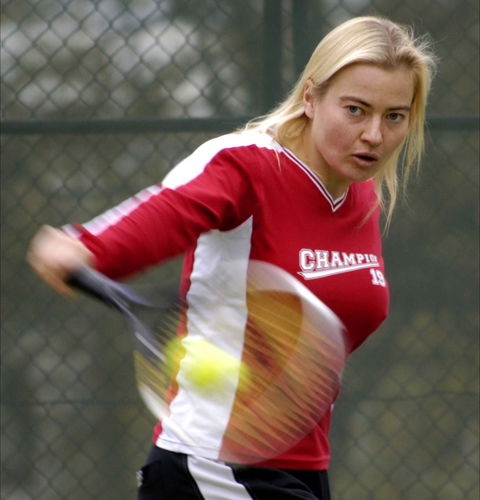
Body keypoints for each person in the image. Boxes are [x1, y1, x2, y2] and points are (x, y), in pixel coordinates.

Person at [27, 15, 435, 500]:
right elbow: (169, 213)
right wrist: (87, 247)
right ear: (311, 98)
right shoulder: (245, 165)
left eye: (394, 116)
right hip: (213, 466)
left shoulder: (361, 195)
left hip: (303, 465)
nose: (374, 134)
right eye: (355, 110)